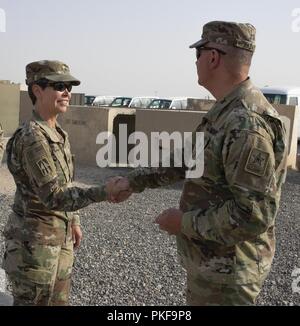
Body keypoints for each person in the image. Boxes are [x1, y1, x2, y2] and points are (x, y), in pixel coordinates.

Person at [113, 21, 287, 305]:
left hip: (228, 275)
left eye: (198, 54)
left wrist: (183, 222)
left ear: (213, 57)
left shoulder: (245, 124)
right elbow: (184, 160)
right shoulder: (226, 112)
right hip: (213, 267)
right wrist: (133, 182)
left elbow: (253, 215)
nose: (195, 63)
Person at [2, 60, 131, 306]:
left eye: (69, 86)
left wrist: (73, 220)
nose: (67, 92)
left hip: (59, 243)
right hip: (34, 248)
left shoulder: (58, 133)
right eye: (59, 86)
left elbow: (66, 181)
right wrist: (105, 191)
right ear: (37, 90)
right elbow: (54, 196)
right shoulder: (33, 138)